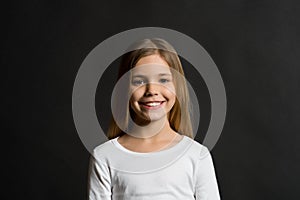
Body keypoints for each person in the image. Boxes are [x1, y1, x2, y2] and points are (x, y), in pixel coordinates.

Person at [88, 38, 221, 199]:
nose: (152, 90)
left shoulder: (197, 155)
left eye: (163, 80)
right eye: (139, 81)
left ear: (177, 87)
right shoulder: (105, 156)